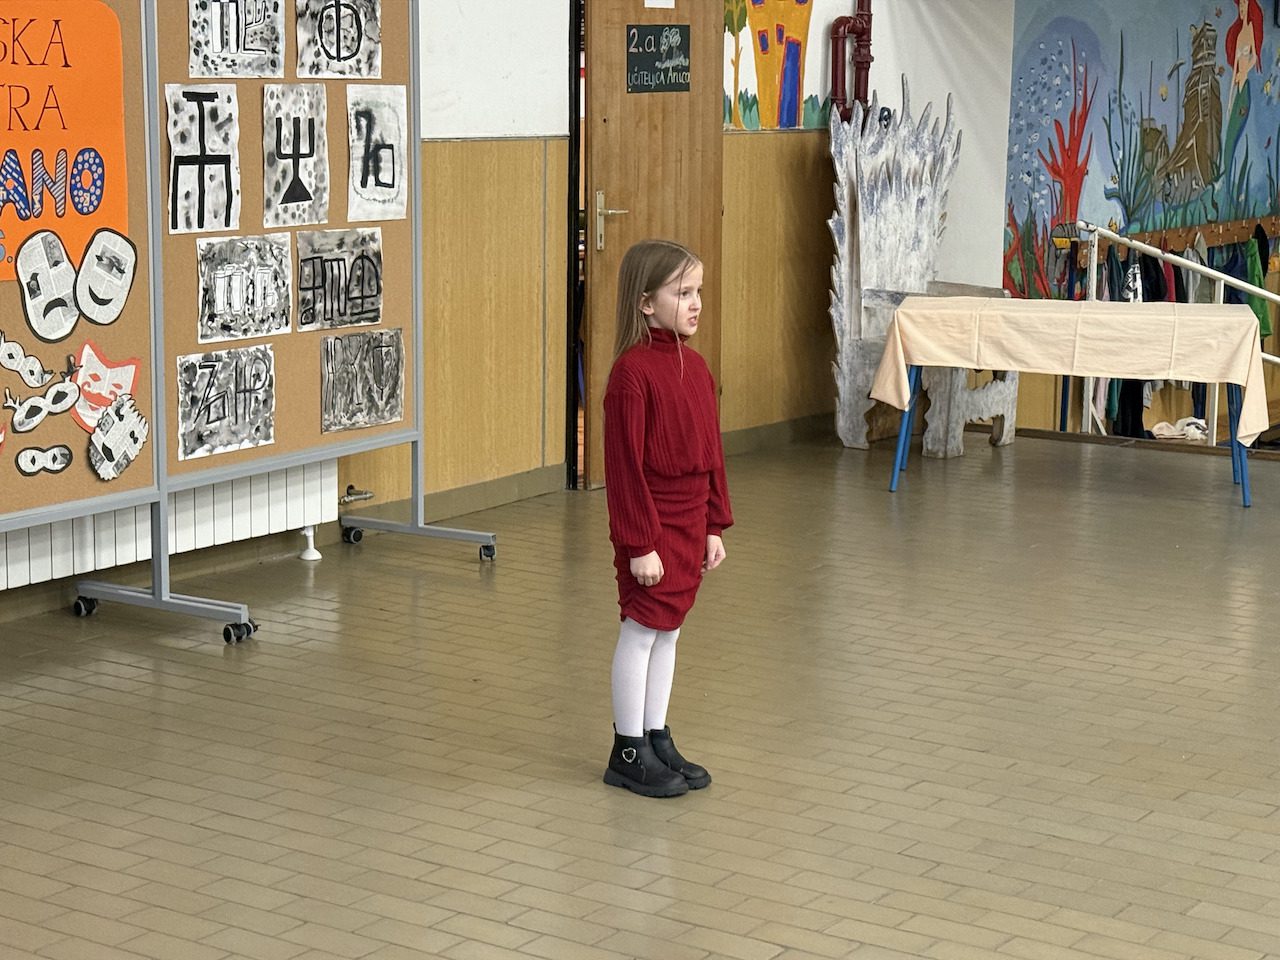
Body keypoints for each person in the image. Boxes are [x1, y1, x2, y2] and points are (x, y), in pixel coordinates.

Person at [601, 239, 732, 799]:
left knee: (670, 631)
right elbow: (624, 470)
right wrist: (640, 543)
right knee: (641, 631)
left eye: (698, 291)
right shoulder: (631, 375)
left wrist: (713, 524)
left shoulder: (696, 368)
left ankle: (656, 735)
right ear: (646, 302)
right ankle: (628, 749)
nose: (695, 303)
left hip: (688, 519)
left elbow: (711, 454)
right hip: (651, 525)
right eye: (682, 293)